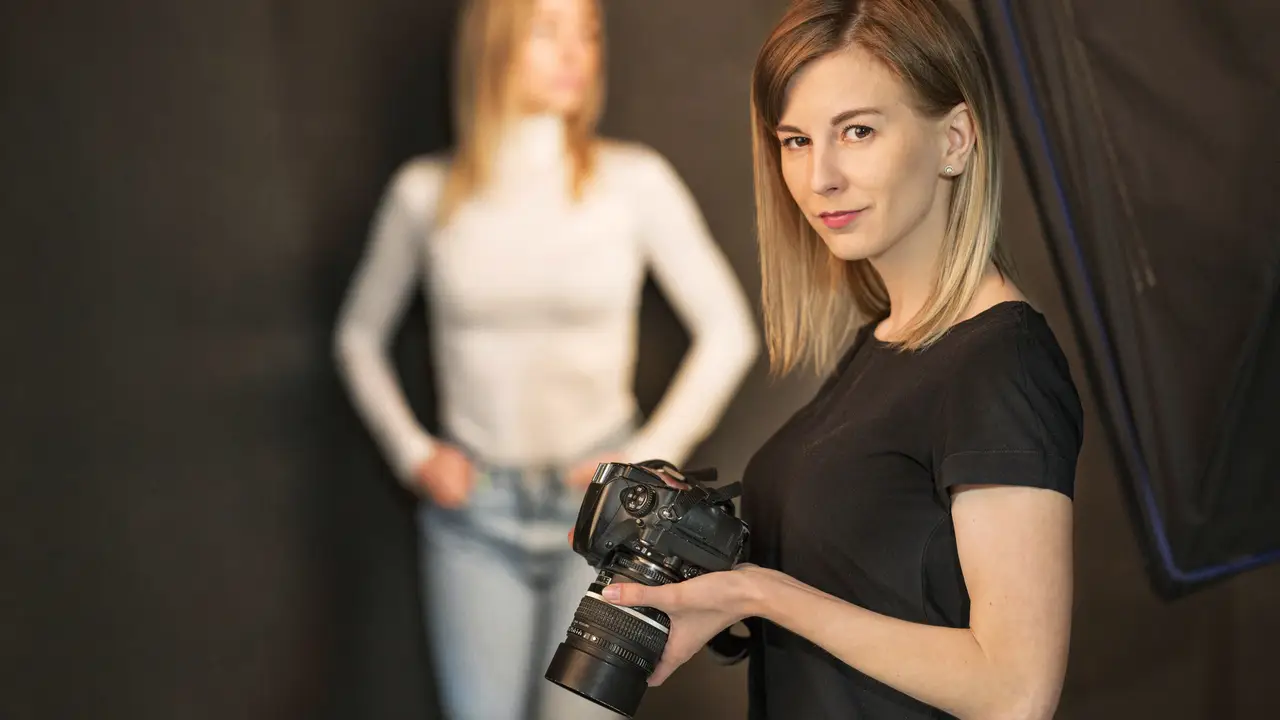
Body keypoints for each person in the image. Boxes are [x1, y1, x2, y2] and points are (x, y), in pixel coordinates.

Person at [596, 1, 1084, 719]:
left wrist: (763, 593)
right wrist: (716, 590)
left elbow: (1016, 692)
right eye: (795, 140)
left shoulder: (1000, 365)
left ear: (954, 140)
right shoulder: (889, 339)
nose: (819, 176)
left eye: (857, 131)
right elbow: (870, 579)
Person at [331, 0, 759, 717]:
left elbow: (729, 331)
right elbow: (357, 336)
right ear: (496, 45)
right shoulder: (426, 193)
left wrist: (644, 458)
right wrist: (414, 456)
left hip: (603, 526)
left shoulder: (634, 182)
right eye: (547, 30)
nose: (575, 52)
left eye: (588, 33)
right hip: (475, 522)